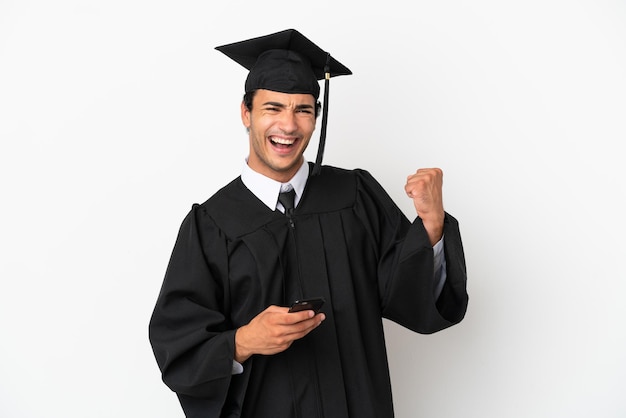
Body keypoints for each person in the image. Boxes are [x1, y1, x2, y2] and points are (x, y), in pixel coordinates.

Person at [149, 28, 469, 418]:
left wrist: (431, 225)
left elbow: (408, 298)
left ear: (316, 117)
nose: (288, 126)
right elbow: (177, 344)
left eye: (303, 109)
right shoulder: (211, 224)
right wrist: (243, 340)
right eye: (273, 108)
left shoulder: (354, 196)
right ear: (246, 113)